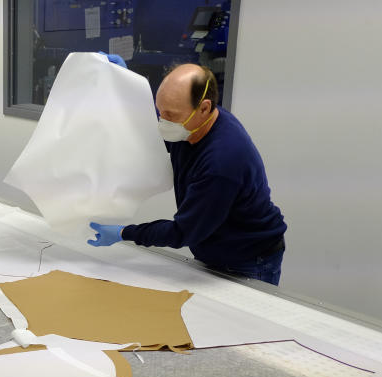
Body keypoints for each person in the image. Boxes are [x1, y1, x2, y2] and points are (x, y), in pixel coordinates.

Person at [88, 63, 287, 285]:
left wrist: (124, 233)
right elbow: (149, 120)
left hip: (248, 258)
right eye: (160, 110)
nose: (162, 120)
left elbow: (183, 231)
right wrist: (124, 83)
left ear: (204, 108)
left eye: (170, 114)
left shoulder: (222, 162)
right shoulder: (191, 124)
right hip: (212, 247)